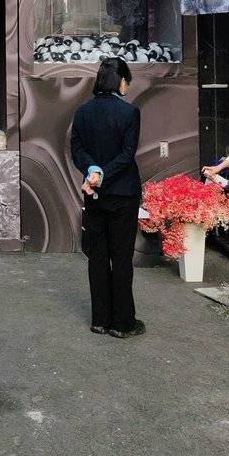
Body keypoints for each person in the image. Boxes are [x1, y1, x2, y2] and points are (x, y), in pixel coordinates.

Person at [71, 57, 145, 339]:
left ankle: (100, 320)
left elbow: (77, 150)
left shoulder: (82, 112)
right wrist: (103, 173)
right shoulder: (129, 112)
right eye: (127, 81)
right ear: (121, 81)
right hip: (123, 194)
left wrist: (93, 171)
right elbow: (127, 155)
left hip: (94, 195)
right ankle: (123, 323)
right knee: (122, 258)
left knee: (98, 257)